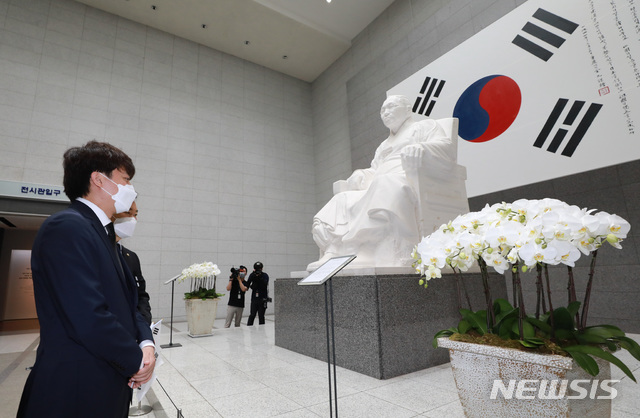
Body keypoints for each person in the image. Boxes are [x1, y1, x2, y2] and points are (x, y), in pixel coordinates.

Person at [18, 141, 156, 418]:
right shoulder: (67, 227)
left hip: (106, 379)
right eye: (126, 180)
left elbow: (129, 302)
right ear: (98, 179)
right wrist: (135, 361)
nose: (131, 188)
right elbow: (88, 316)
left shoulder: (103, 235)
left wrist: (146, 343)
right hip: (77, 388)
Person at [307, 95, 457, 270]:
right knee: (342, 199)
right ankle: (335, 250)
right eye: (382, 110)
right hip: (379, 182)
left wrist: (422, 148)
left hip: (405, 178)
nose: (385, 112)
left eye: (391, 107)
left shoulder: (425, 127)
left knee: (386, 185)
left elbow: (446, 147)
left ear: (408, 109)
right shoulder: (383, 145)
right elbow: (375, 169)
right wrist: (361, 174)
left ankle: (365, 250)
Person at [113, 201, 153, 325]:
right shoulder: (98, 251)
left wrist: (144, 322)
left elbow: (141, 294)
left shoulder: (131, 257)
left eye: (135, 214)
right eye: (127, 212)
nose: (132, 219)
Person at [246, 262, 269, 326]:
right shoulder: (252, 275)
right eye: (257, 269)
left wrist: (259, 277)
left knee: (261, 315)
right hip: (254, 299)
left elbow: (264, 285)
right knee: (252, 315)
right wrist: (254, 276)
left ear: (262, 269)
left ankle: (262, 330)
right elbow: (248, 284)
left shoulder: (265, 275)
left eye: (259, 269)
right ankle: (249, 327)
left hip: (263, 298)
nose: (258, 270)